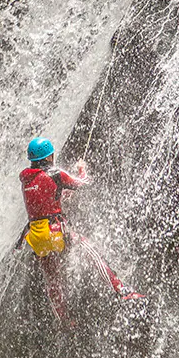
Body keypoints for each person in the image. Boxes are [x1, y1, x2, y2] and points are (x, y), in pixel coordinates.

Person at [17, 136, 142, 324]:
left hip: (35, 237)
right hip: (55, 231)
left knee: (52, 279)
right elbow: (83, 183)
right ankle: (121, 290)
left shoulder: (26, 179)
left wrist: (65, 194)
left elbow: (46, 199)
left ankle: (64, 319)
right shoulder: (56, 173)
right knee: (93, 253)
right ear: (49, 157)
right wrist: (82, 169)